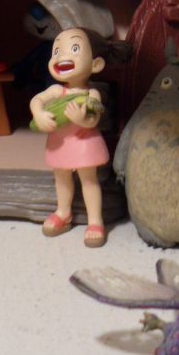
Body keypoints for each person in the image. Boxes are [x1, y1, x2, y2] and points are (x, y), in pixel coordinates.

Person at [29, 26, 122, 248]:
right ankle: (63, 212)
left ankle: (95, 221)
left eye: (74, 49)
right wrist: (38, 113)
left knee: (89, 180)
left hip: (84, 142)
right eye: (56, 51)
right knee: (61, 178)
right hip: (60, 142)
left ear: (96, 64)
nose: (62, 56)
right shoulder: (56, 91)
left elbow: (94, 118)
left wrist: (82, 119)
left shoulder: (91, 93)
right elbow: (37, 100)